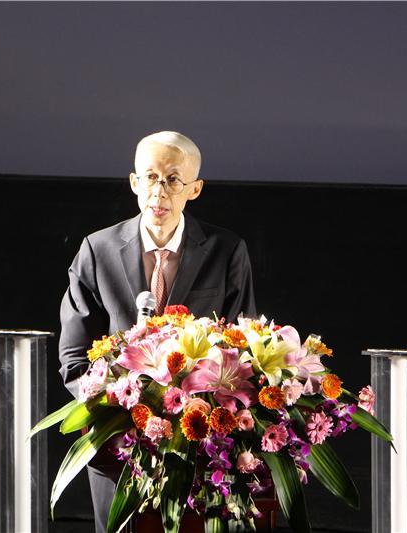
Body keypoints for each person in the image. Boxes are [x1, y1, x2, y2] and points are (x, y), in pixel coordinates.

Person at [58, 130, 256, 532]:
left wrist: (201, 412)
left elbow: (244, 352)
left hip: (198, 446)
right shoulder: (97, 250)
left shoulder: (226, 251)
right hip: (119, 446)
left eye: (173, 180)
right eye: (150, 177)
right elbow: (74, 359)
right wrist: (116, 410)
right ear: (134, 182)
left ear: (195, 189)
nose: (159, 192)